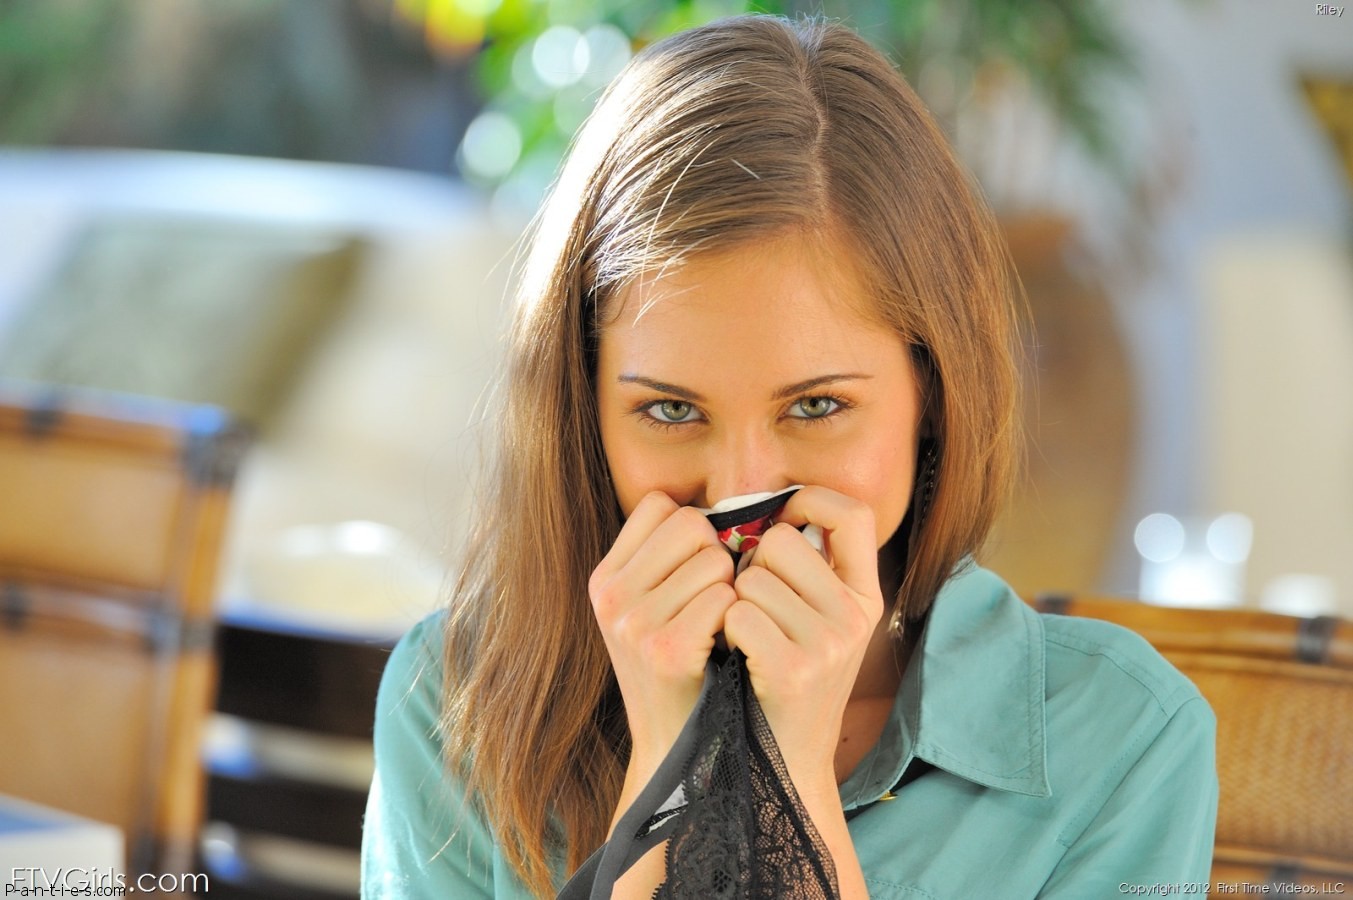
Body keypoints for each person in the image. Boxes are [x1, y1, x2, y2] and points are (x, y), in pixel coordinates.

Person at [362, 14, 1218, 899]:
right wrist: (673, 764)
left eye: (815, 407)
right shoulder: (456, 706)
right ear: (584, 413)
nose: (741, 489)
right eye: (667, 410)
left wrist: (787, 776)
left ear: (933, 395)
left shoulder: (1125, 745)